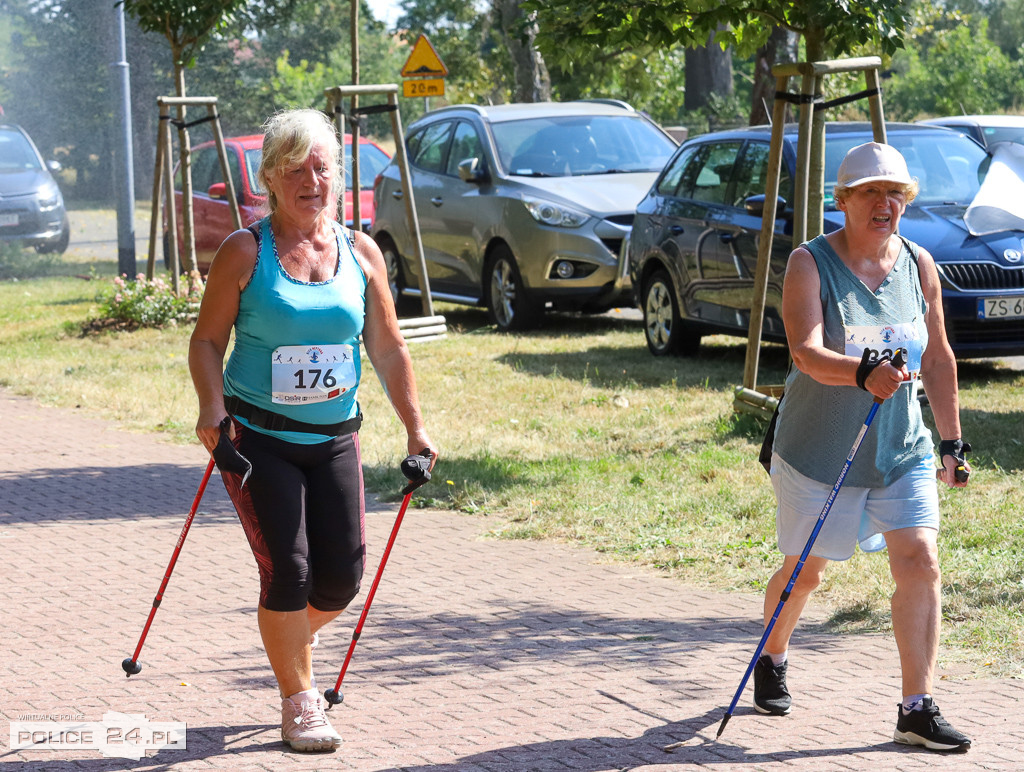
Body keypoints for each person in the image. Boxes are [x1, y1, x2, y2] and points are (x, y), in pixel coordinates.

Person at [189, 108, 437, 752]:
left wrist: (415, 427)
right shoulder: (245, 251)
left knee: (341, 580)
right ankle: (299, 702)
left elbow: (386, 346)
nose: (311, 179)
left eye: (322, 167)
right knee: (290, 572)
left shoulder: (361, 251)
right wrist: (211, 409)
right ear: (270, 178)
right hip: (257, 439)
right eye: (295, 169)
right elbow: (208, 341)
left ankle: (289, 639)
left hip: (334, 437)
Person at [757, 142, 972, 752]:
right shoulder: (809, 262)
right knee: (806, 573)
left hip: (901, 448)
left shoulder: (919, 263)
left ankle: (917, 707)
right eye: (872, 193)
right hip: (821, 450)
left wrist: (952, 441)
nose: (886, 205)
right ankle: (773, 652)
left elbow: (936, 356)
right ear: (842, 201)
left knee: (920, 562)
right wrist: (860, 373)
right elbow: (804, 351)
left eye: (896, 194)